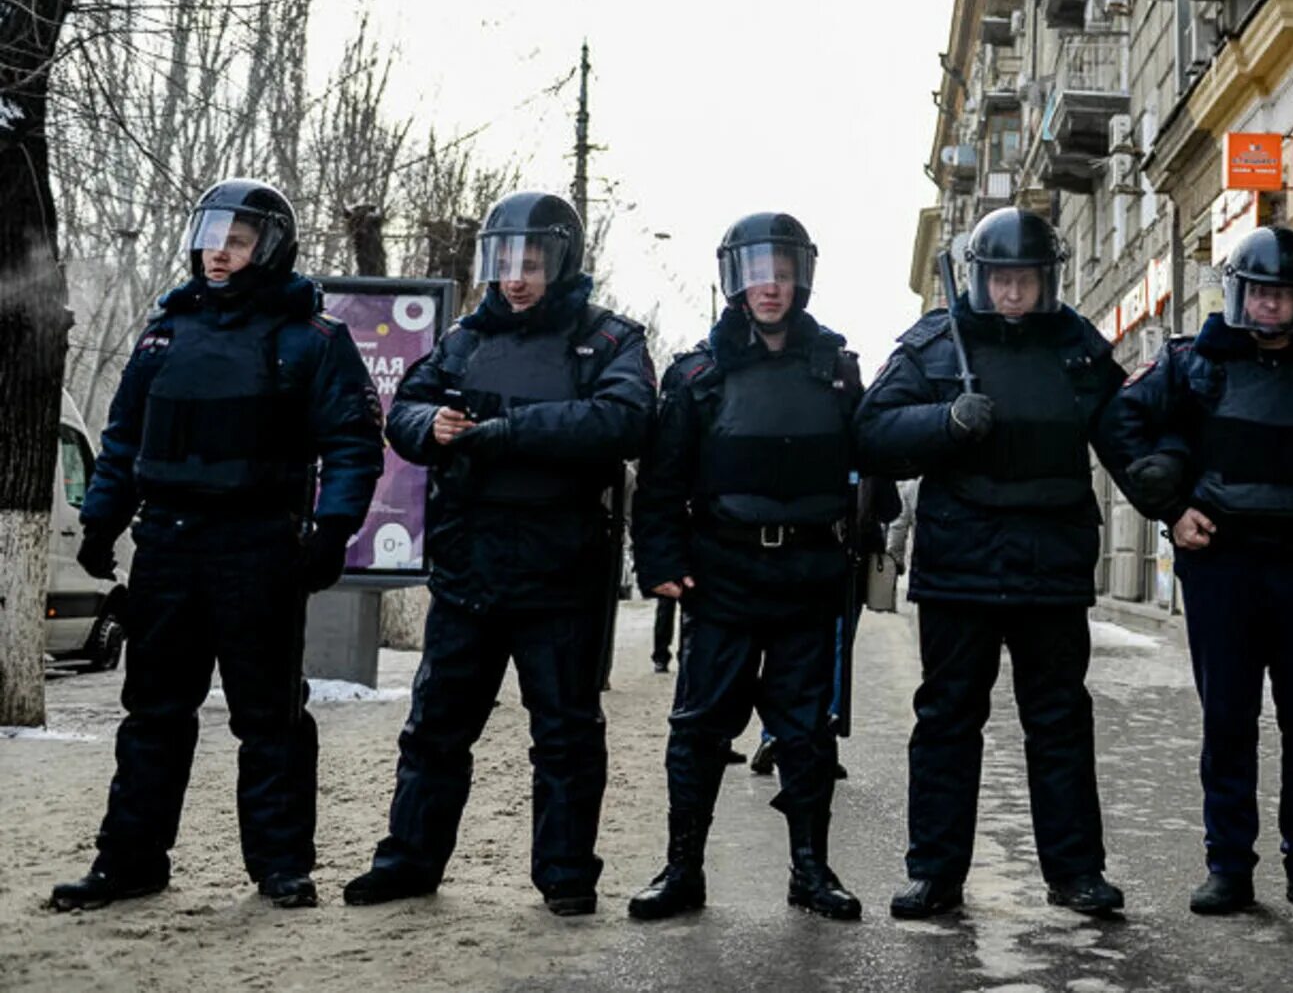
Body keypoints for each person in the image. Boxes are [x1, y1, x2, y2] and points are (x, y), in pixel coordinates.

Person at [50, 179, 383, 911]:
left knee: (268, 717)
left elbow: (354, 444)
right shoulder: (165, 332)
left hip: (260, 548)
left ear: (269, 248)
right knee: (153, 714)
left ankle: (280, 867)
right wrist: (103, 520)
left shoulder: (313, 339)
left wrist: (332, 532)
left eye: (235, 241)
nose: (217, 254)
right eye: (210, 237)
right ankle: (129, 862)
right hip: (167, 545)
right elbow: (125, 437)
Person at [343, 191, 653, 917]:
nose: (516, 278)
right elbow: (406, 409)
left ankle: (567, 873)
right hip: (467, 568)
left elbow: (625, 417)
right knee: (435, 730)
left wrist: (507, 431)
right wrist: (435, 426)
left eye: (533, 263)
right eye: (505, 261)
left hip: (562, 572)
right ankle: (409, 861)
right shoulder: (464, 339)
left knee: (567, 736)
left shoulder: (609, 339)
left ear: (562, 261)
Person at [857, 207, 1128, 920]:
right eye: (1002, 280)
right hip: (959, 566)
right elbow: (872, 432)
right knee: (947, 721)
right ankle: (935, 874)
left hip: (1052, 565)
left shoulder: (1077, 346)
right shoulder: (935, 344)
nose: (1013, 295)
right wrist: (942, 423)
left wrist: (1171, 491)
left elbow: (1127, 429)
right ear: (979, 279)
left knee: (1061, 722)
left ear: (1047, 281)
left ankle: (1076, 873)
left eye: (1027, 281)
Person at [1102, 225, 1293, 921]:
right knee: (1229, 722)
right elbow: (1119, 421)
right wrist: (1171, 510)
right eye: (1259, 294)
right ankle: (1230, 868)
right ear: (1237, 294)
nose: (1271, 309)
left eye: (1283, 296)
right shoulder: (1194, 363)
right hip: (1225, 566)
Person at [627, 212, 878, 923]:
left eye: (784, 270)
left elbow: (872, 462)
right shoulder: (697, 375)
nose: (771, 286)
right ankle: (683, 872)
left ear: (803, 275)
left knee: (805, 733)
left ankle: (811, 871)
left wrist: (869, 534)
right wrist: (661, 561)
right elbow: (661, 482)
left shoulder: (836, 369)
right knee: (701, 728)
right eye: (757, 271)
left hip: (808, 577)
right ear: (735, 278)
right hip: (722, 576)